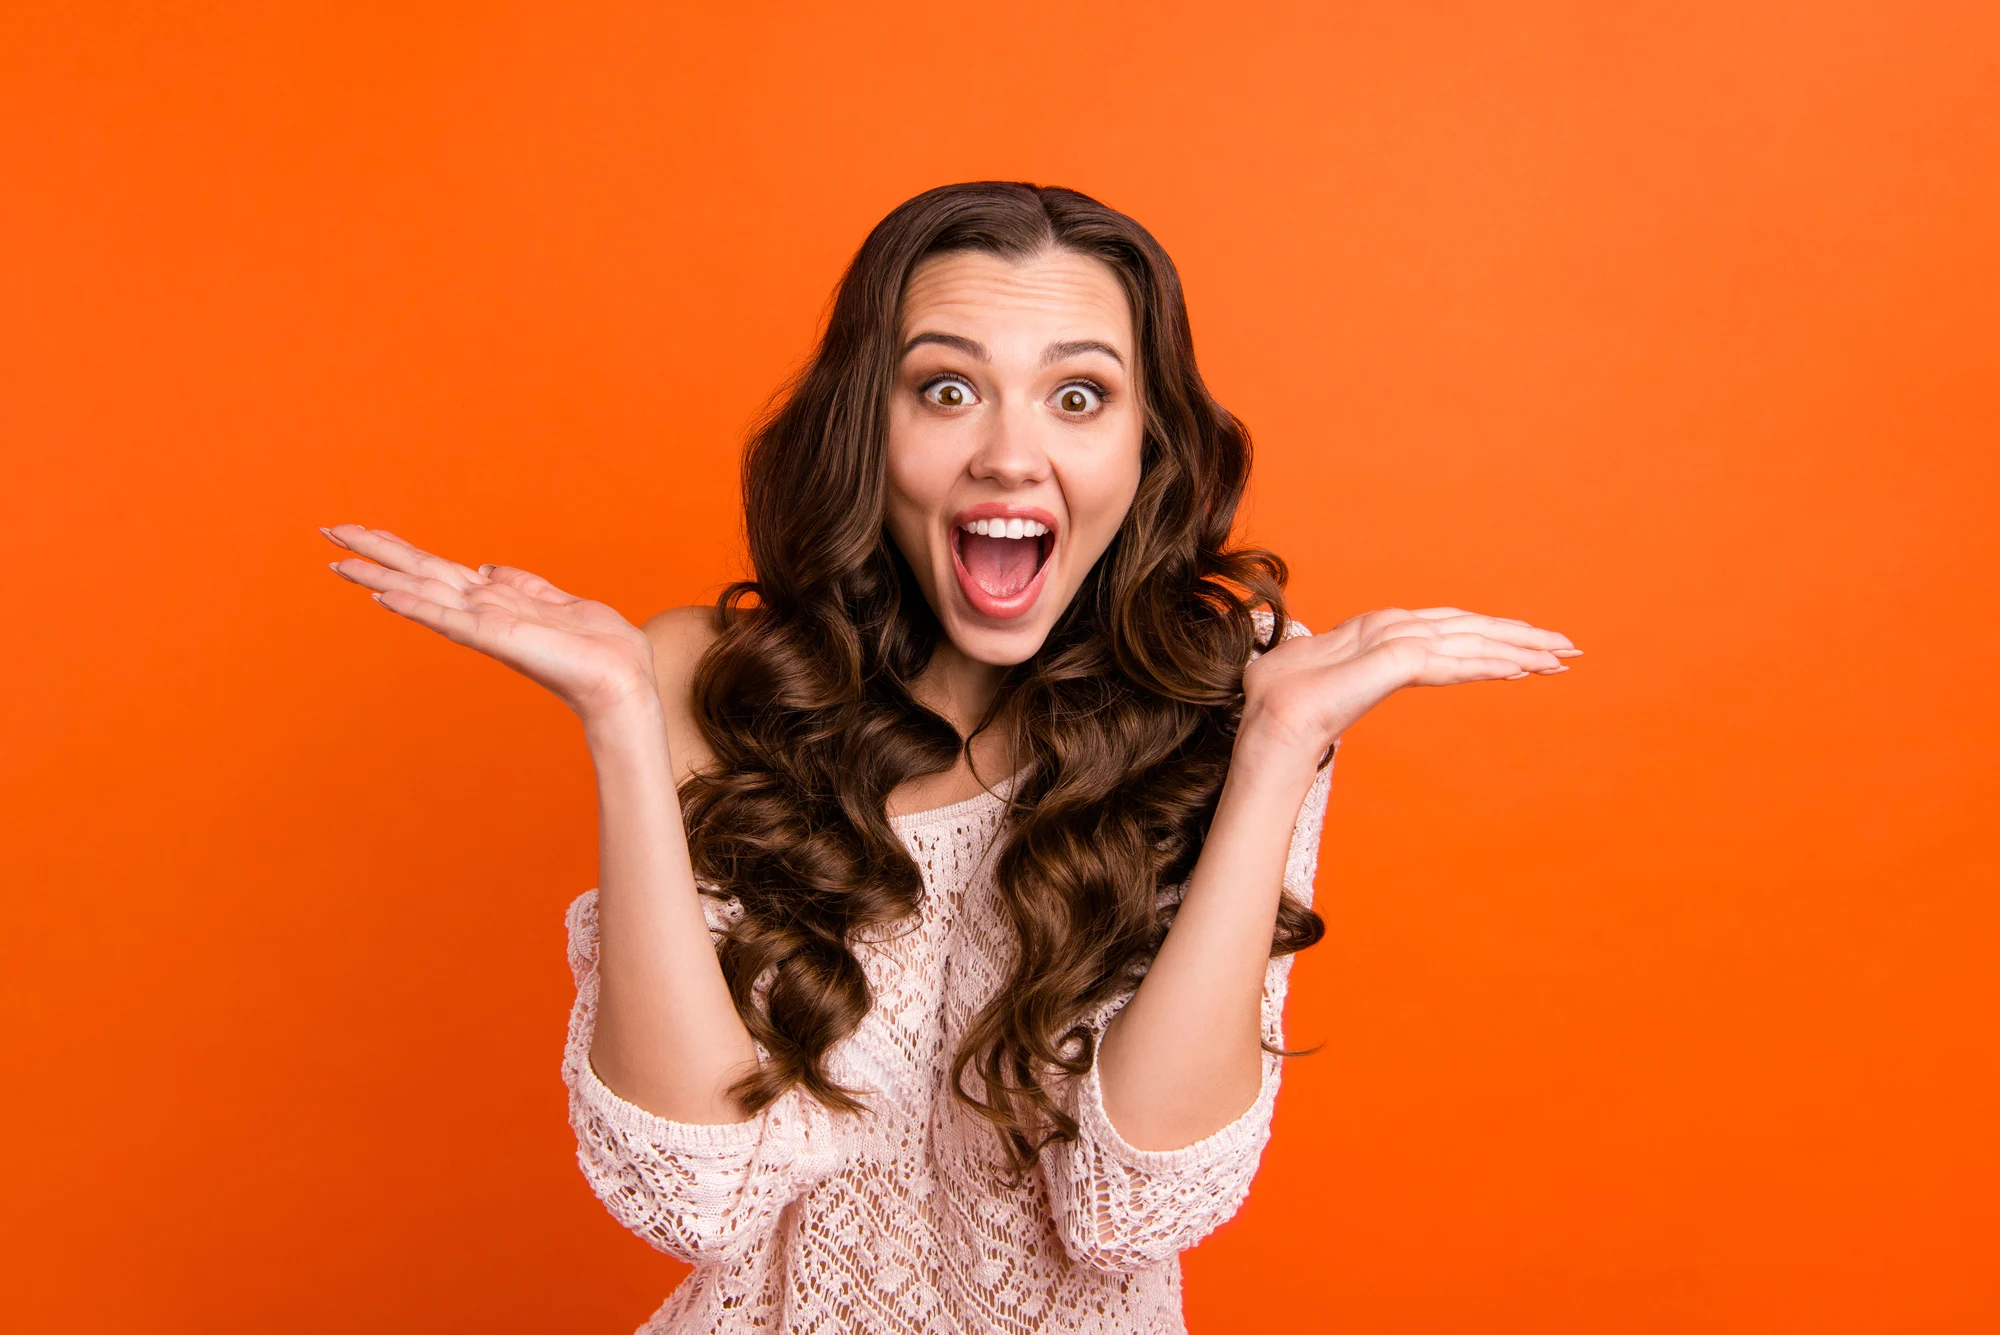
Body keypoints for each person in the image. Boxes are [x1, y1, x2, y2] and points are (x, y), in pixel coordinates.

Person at [321, 181, 1577, 1334]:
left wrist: (1278, 750)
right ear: (865, 428)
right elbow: (692, 1199)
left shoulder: (1228, 703)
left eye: (1077, 396)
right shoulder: (707, 686)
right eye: (945, 388)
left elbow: (1135, 1211)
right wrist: (614, 714)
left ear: (1147, 451)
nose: (1008, 455)